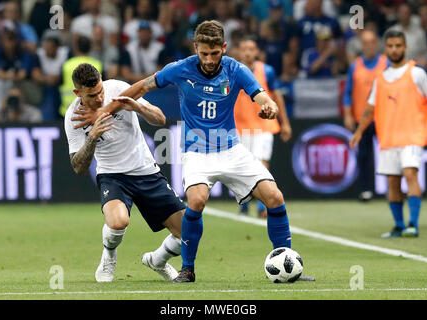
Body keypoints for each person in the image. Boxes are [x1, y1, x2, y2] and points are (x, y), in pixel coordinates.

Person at [71, 20, 314, 283]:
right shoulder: (179, 69)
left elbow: (261, 96)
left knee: (275, 197)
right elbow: (141, 87)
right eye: (204, 54)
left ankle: (287, 259)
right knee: (196, 201)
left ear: (224, 47)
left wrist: (271, 108)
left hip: (231, 148)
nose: (209, 60)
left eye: (215, 53)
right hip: (196, 151)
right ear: (195, 48)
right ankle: (188, 269)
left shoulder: (236, 70)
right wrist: (102, 112)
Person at [64, 63, 186, 282]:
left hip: (146, 171)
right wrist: (92, 137)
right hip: (112, 176)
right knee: (118, 222)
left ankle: (157, 260)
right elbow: (78, 167)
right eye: (92, 95)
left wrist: (138, 108)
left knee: (187, 235)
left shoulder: (119, 89)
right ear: (77, 93)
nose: (100, 98)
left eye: (100, 91)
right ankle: (109, 255)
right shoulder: (73, 117)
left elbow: (160, 119)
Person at [350, 30, 427, 238]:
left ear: (405, 47)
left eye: (398, 46)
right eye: (391, 46)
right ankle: (399, 225)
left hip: (413, 135)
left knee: (410, 174)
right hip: (389, 137)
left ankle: (413, 223)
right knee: (392, 181)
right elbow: (369, 108)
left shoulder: (417, 73)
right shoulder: (381, 77)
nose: (394, 50)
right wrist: (358, 132)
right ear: (386, 49)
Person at [234, 36, 292, 217]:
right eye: (244, 49)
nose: (248, 53)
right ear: (238, 51)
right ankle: (244, 203)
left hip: (263, 126)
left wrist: (285, 123)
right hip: (239, 127)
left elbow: (277, 97)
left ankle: (262, 206)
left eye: (251, 49)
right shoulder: (231, 71)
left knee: (261, 164)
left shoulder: (267, 71)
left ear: (257, 52)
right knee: (241, 168)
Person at [343, 30, 388, 202]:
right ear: (362, 45)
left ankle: (390, 188)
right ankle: (366, 190)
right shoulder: (355, 65)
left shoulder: (385, 63)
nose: (368, 45)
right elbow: (347, 92)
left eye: (371, 42)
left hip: (383, 117)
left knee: (388, 153)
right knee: (364, 155)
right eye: (365, 42)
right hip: (361, 118)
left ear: (376, 43)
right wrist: (347, 115)